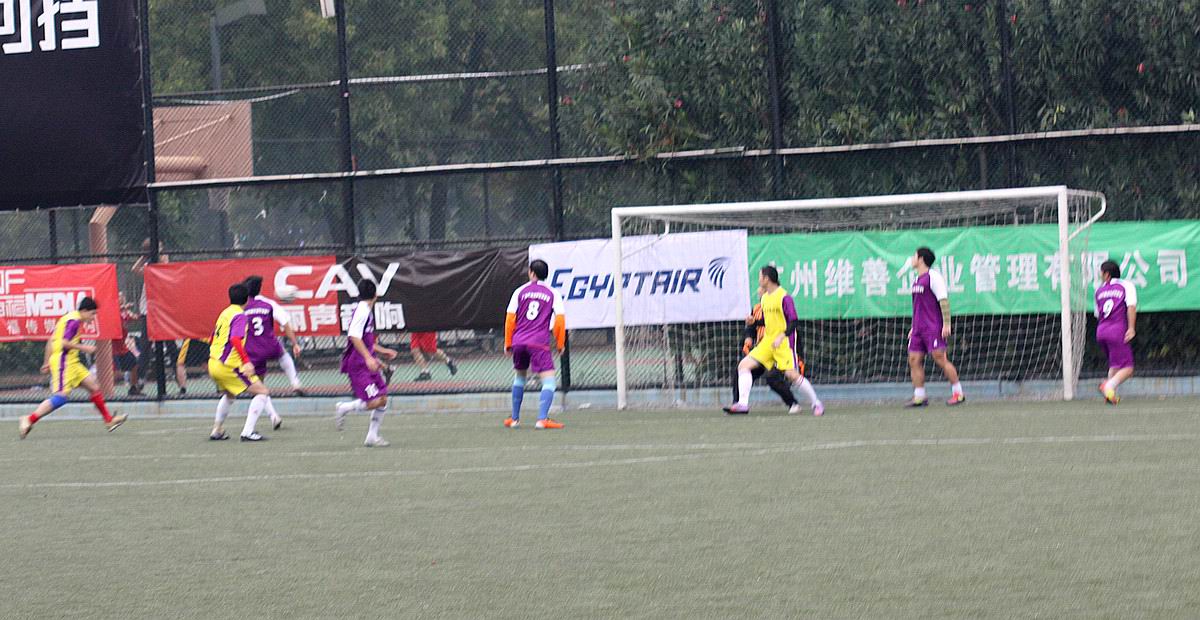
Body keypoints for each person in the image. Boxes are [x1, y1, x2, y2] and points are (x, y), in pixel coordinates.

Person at [19, 297, 127, 439]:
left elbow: (52, 339)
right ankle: (29, 419)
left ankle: (108, 420)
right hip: (63, 362)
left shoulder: (69, 318)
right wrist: (84, 348)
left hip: (72, 362)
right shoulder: (74, 322)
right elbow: (64, 343)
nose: (93, 317)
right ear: (84, 311)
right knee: (61, 397)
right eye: (92, 314)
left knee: (94, 386)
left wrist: (46, 361)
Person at [727, 266, 824, 416]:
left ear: (767, 279)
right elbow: (768, 321)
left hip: (784, 343)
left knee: (791, 375)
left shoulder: (785, 297)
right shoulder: (765, 298)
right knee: (743, 365)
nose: (759, 280)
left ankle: (816, 403)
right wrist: (754, 322)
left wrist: (782, 335)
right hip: (768, 342)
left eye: (760, 277)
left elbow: (793, 321)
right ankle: (742, 404)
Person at [334, 280, 399, 447]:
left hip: (367, 364)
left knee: (383, 399)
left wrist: (382, 351)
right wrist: (369, 358)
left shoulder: (366, 311)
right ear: (375, 294)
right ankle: (344, 407)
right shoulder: (362, 311)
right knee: (374, 401)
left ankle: (372, 436)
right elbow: (354, 336)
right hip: (358, 365)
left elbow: (366, 341)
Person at [503, 259, 566, 429]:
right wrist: (560, 344)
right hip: (538, 342)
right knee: (549, 382)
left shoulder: (519, 291)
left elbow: (510, 319)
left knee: (519, 377)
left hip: (519, 341)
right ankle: (542, 419)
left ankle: (514, 419)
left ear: (531, 273)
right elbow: (559, 321)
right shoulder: (553, 293)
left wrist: (508, 343)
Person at [207, 283, 271, 442]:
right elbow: (235, 339)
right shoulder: (240, 315)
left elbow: (212, 338)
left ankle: (217, 430)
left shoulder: (225, 313)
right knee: (262, 392)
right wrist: (246, 361)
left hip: (213, 363)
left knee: (229, 395)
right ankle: (248, 432)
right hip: (228, 366)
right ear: (247, 299)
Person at [725, 287, 800, 414]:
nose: (759, 294)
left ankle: (793, 403)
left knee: (772, 377)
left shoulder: (779, 308)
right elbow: (751, 327)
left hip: (778, 351)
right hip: (762, 351)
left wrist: (798, 354)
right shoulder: (757, 309)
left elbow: (792, 328)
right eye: (759, 294)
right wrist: (748, 338)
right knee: (741, 368)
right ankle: (738, 404)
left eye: (762, 292)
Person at [907, 247, 965, 407]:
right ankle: (920, 396)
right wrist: (913, 326)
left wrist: (946, 324)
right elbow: (918, 306)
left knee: (940, 358)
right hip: (918, 329)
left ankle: (958, 393)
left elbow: (943, 301)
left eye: (914, 255)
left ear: (921, 259)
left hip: (932, 327)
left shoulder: (933, 277)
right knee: (914, 359)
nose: (911, 259)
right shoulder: (916, 280)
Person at [242, 275, 305, 403]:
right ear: (260, 289)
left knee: (258, 386)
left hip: (252, 349)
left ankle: (262, 403)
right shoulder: (268, 303)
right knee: (284, 356)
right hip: (269, 344)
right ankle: (295, 382)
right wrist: (295, 344)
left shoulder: (242, 307)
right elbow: (285, 323)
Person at [1095, 260, 1137, 404]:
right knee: (1128, 368)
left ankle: (1110, 395)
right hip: (1117, 330)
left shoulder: (1099, 290)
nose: (1100, 276)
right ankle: (1109, 386)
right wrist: (1131, 328)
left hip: (1101, 331)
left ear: (1107, 274)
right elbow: (1131, 307)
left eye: (1101, 273)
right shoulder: (1126, 285)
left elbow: (1098, 314)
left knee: (1115, 365)